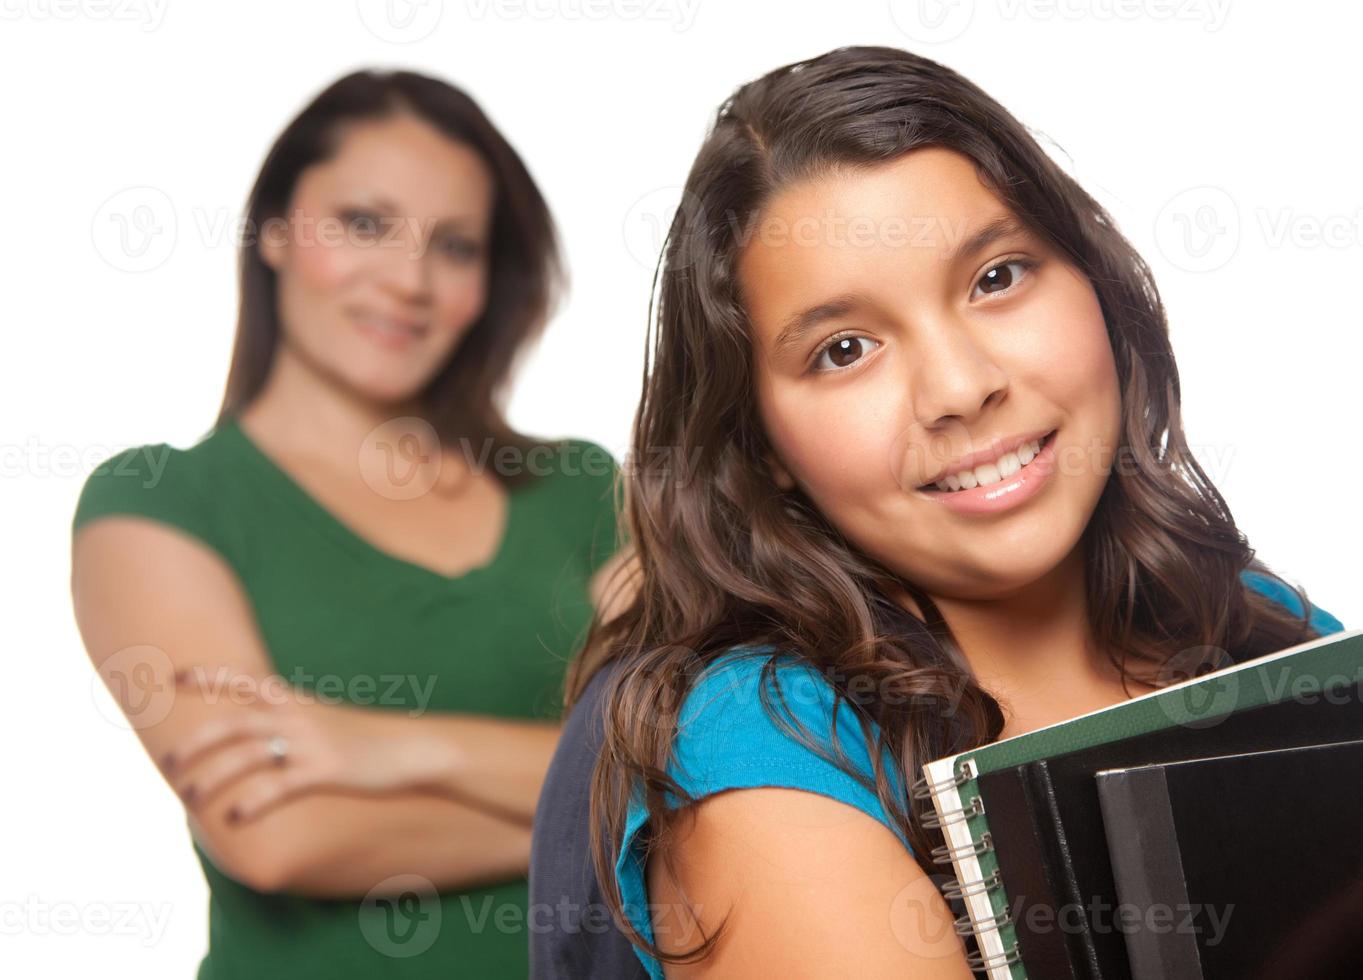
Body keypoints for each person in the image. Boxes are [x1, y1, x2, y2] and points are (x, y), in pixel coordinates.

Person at [530, 45, 1346, 979]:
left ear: (1097, 286)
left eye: (996, 277)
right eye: (845, 349)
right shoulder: (760, 744)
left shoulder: (1247, 618)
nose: (960, 387)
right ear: (761, 446)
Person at [71, 69, 628, 978]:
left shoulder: (576, 487)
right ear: (279, 233)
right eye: (365, 224)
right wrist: (605, 818)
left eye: (454, 246)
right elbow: (278, 836)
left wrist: (388, 744)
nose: (408, 279)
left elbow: (675, 751)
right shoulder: (160, 500)